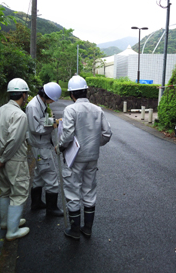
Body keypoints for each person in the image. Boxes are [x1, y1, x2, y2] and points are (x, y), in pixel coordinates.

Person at [57, 75, 112, 240]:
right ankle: (87, 228)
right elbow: (107, 134)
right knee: (89, 190)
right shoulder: (97, 109)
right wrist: (95, 143)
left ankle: (74, 230)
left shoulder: (70, 110)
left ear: (72, 94)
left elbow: (67, 135)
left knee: (73, 191)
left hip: (75, 158)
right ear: (86, 91)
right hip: (92, 157)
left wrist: (60, 146)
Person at [0, 78, 30, 241]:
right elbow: (14, 141)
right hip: (14, 160)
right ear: (24, 94)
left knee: (5, 191)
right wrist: (4, 158)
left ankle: (7, 222)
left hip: (2, 158)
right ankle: (12, 231)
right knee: (19, 192)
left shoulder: (0, 110)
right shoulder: (20, 115)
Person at [26, 82, 64, 217]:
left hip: (41, 144)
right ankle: (51, 208)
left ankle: (36, 203)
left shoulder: (40, 103)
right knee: (51, 175)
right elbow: (34, 128)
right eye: (53, 99)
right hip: (40, 146)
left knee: (39, 174)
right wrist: (53, 125)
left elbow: (40, 122)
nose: (53, 101)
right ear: (48, 96)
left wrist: (52, 121)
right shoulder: (33, 107)